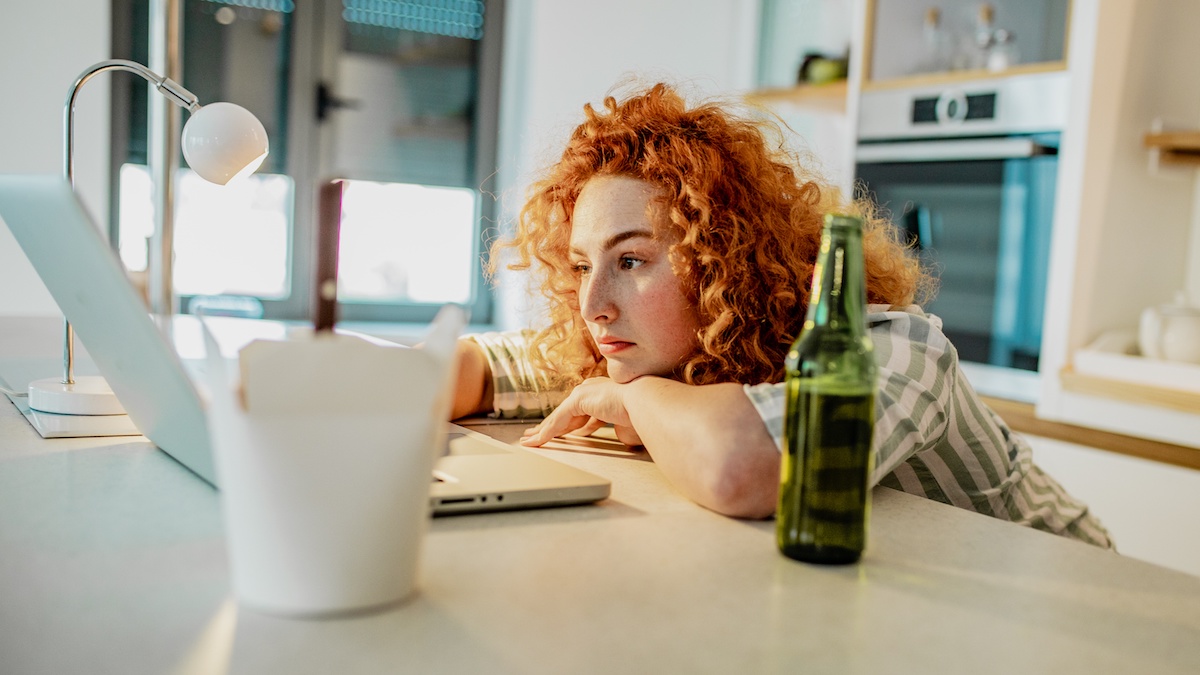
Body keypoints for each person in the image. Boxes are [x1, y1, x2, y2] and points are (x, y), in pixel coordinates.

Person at [451, 82, 1113, 549]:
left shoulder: (894, 345)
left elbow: (747, 464)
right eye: (579, 265)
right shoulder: (654, 339)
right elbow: (481, 366)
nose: (593, 303)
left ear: (721, 260)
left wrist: (633, 396)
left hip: (1069, 608)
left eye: (630, 261)